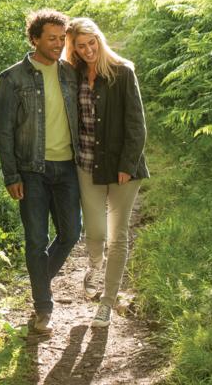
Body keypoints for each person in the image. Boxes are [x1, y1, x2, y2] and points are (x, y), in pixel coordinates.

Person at [0, 9, 81, 335]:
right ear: (34, 39)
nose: (58, 44)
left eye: (62, 39)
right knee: (36, 241)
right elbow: (4, 130)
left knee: (71, 234)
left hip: (67, 168)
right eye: (51, 38)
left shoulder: (70, 74)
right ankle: (44, 308)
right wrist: (11, 175)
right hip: (30, 170)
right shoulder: (13, 77)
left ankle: (36, 283)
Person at [65, 17, 149, 328]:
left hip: (123, 168)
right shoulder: (71, 76)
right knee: (96, 231)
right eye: (80, 46)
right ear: (72, 49)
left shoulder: (123, 72)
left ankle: (107, 301)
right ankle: (95, 266)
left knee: (118, 235)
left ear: (100, 39)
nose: (88, 50)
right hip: (86, 163)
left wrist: (127, 164)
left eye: (92, 43)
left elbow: (137, 125)